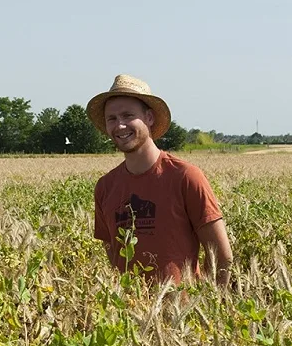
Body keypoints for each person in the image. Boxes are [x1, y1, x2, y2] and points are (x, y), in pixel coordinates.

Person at [87, 74, 233, 287]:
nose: (120, 126)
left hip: (182, 315)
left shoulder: (185, 176)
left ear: (149, 118)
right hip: (126, 316)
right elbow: (113, 253)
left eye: (128, 115)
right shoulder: (105, 187)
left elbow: (222, 256)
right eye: (112, 118)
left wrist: (211, 305)